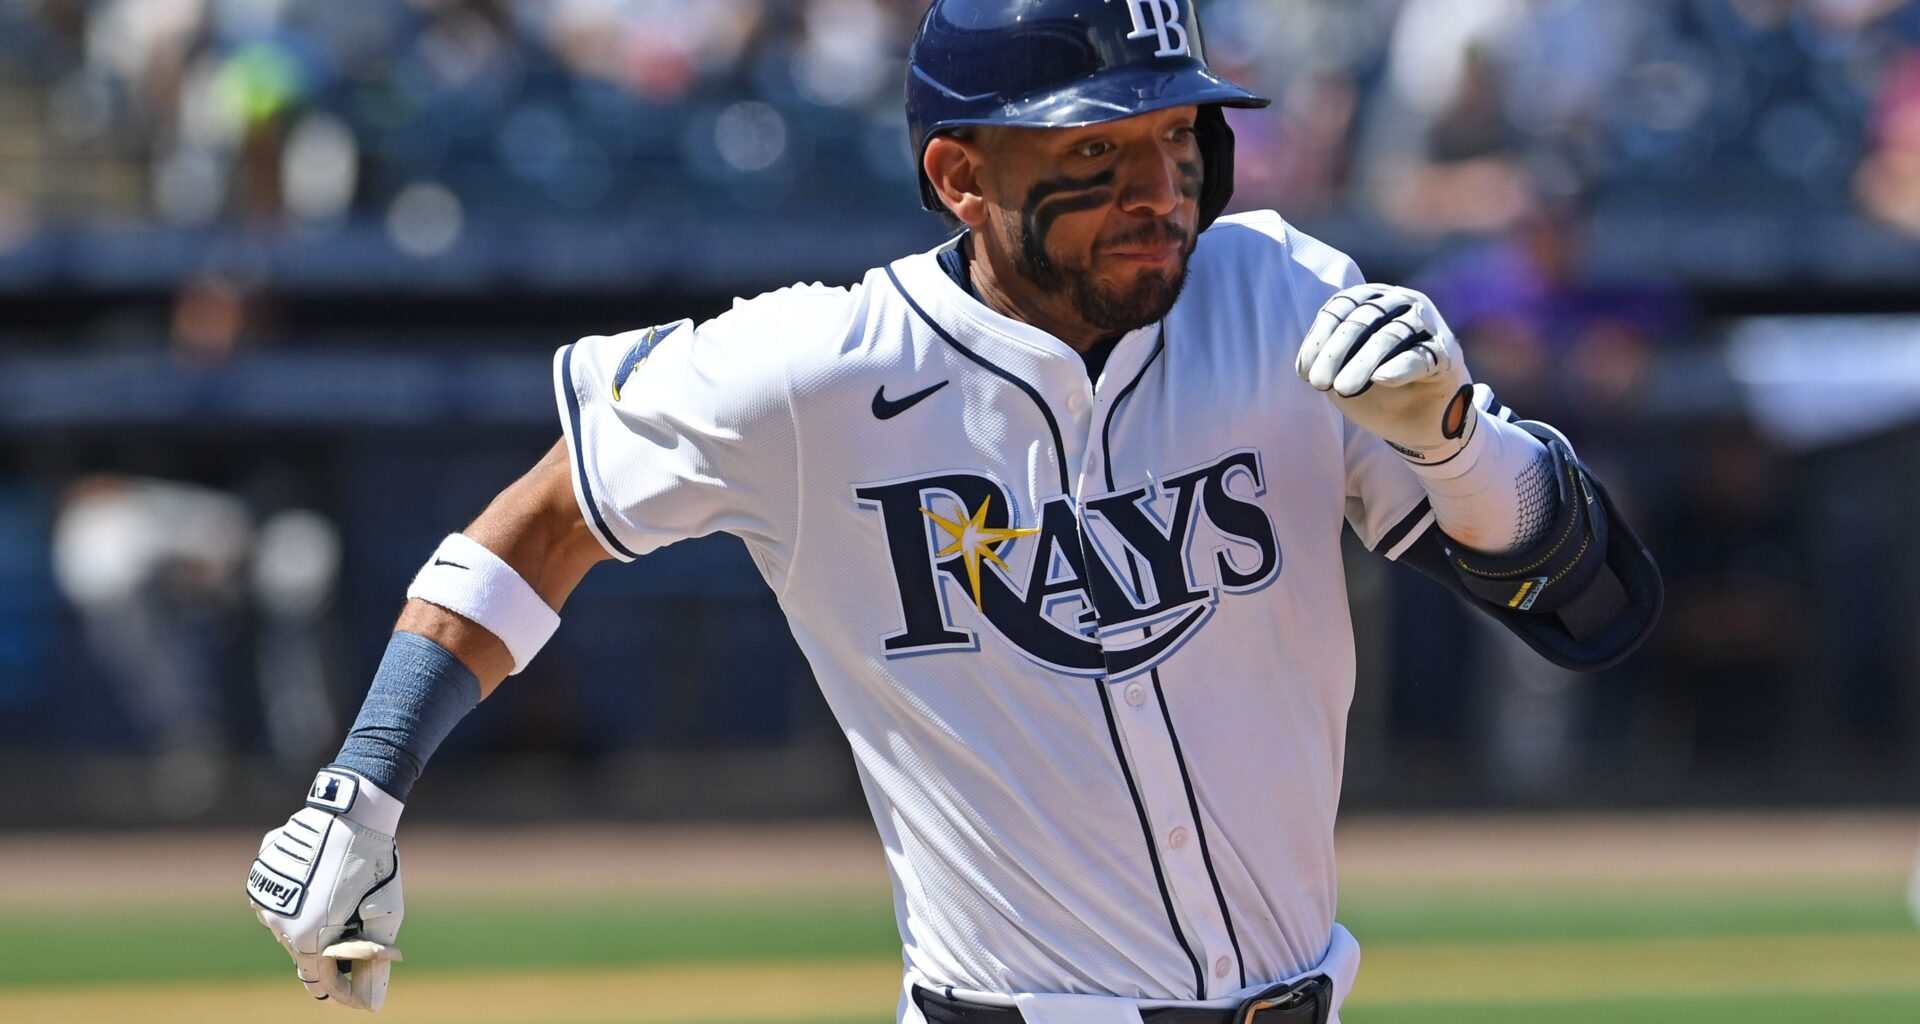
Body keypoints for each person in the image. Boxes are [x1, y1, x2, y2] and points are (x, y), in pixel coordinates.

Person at [246, 2, 1661, 1021]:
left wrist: (1459, 444)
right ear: (961, 177)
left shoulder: (1280, 295)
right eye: (1096, 151)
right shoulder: (815, 372)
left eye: (1176, 137)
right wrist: (361, 786)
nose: (1157, 190)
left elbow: (1589, 604)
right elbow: (547, 521)